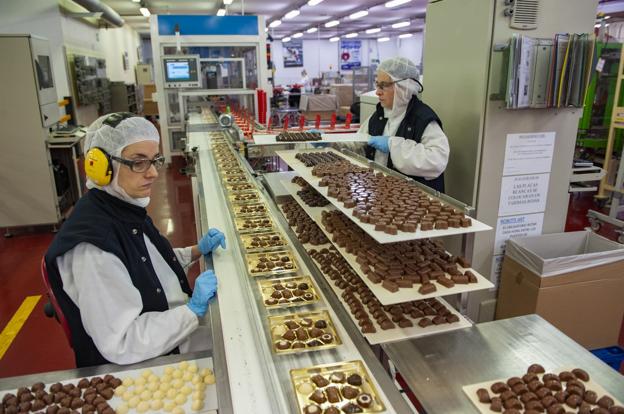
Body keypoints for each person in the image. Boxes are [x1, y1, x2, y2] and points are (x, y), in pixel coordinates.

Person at [44, 113, 226, 367]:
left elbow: (146, 262)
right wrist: (191, 311)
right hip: (146, 358)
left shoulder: (119, 206)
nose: (152, 173)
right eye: (138, 162)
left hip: (165, 327)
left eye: (155, 160)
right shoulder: (93, 249)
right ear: (101, 166)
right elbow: (123, 342)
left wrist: (195, 251)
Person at [362, 57, 449, 192]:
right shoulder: (379, 115)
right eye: (377, 84)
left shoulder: (422, 119)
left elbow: (436, 161)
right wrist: (330, 141)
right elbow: (359, 141)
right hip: (381, 193)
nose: (378, 92)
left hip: (414, 202)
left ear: (404, 86)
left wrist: (393, 145)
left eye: (384, 85)